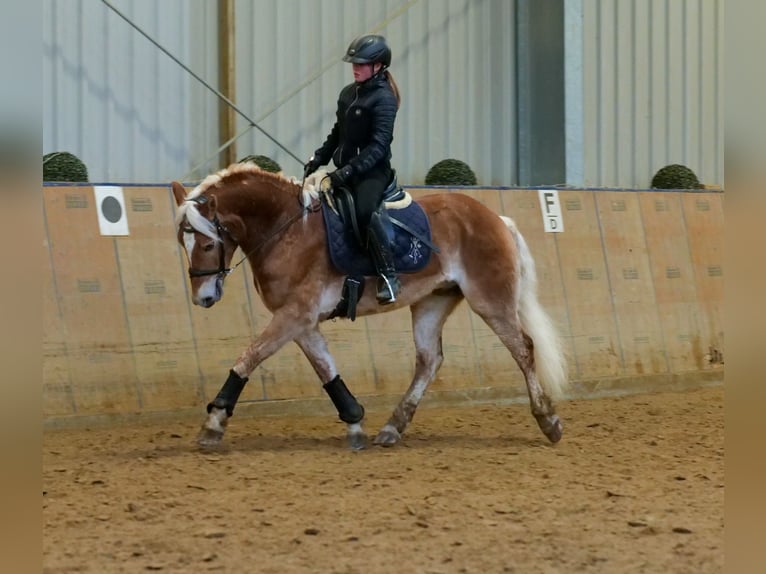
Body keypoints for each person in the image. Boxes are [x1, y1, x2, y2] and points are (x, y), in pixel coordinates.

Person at [304, 34, 402, 304]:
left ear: (379, 66)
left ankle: (388, 275)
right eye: (354, 63)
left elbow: (379, 146)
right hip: (344, 170)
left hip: (372, 173)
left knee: (365, 211)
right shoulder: (349, 93)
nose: (355, 68)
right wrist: (319, 158)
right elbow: (338, 133)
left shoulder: (384, 99)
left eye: (362, 63)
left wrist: (347, 172)